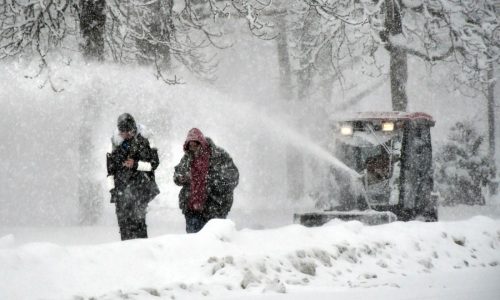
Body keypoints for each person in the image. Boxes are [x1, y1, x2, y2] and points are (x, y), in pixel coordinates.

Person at [174, 128, 239, 233]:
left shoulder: (219, 155)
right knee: (193, 241)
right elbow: (177, 174)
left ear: (202, 142)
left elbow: (233, 176)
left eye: (195, 143)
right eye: (190, 144)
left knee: (213, 242)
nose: (193, 147)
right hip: (192, 209)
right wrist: (181, 178)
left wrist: (214, 181)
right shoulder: (187, 157)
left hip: (215, 208)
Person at [106, 113, 160, 240]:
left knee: (139, 225)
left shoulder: (145, 140)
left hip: (140, 189)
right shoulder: (114, 143)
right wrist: (112, 190)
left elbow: (153, 164)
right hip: (120, 191)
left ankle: (142, 255)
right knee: (124, 227)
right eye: (121, 132)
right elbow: (109, 171)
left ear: (131, 130)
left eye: (125, 132)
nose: (123, 135)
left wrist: (135, 164)